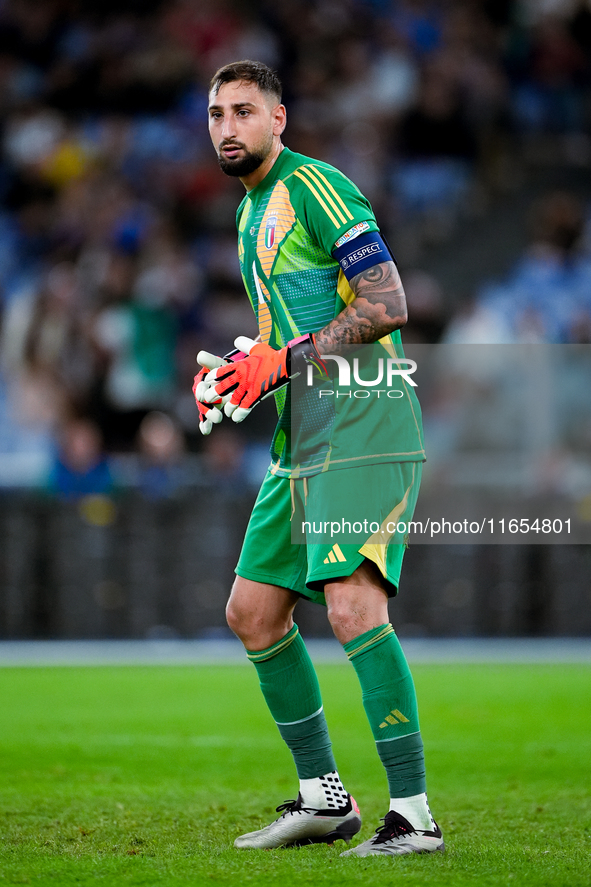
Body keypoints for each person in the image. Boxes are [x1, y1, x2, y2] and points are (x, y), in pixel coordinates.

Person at [193, 59, 444, 858]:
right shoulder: (248, 215)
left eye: (242, 111)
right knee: (252, 611)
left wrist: (287, 354)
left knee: (350, 604)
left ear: (279, 119)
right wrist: (234, 380)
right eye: (215, 114)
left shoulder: (316, 185)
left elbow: (388, 302)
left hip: (366, 421)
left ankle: (413, 815)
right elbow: (279, 346)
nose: (226, 127)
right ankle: (322, 798)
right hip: (303, 433)